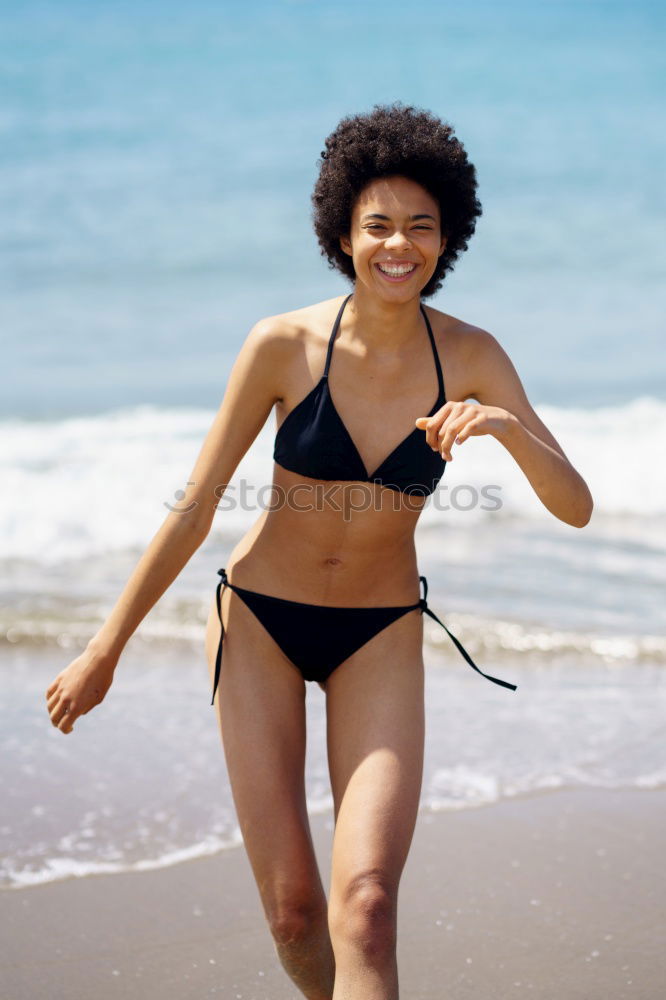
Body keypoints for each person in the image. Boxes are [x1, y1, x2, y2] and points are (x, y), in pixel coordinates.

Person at [45, 102, 593, 1000]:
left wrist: (502, 428)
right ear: (342, 234)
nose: (398, 245)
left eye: (421, 227)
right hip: (260, 622)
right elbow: (194, 509)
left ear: (447, 238)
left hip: (379, 634)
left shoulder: (473, 356)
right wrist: (106, 649)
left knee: (367, 906)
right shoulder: (282, 345)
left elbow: (574, 506)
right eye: (377, 224)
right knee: (296, 914)